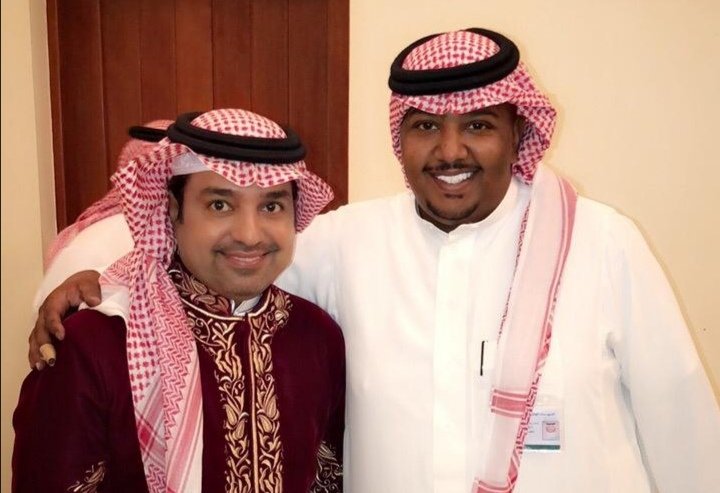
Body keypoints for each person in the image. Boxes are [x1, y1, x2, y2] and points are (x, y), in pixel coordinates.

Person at [26, 28, 720, 492]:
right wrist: (87, 283)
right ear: (400, 138)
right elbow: (221, 260)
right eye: (426, 127)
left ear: (518, 132)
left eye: (478, 125)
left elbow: (685, 434)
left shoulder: (603, 244)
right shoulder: (343, 242)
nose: (450, 151)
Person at [13, 109, 345, 492]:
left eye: (271, 206)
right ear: (173, 210)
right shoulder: (93, 345)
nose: (250, 235)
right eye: (220, 205)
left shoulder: (317, 336)